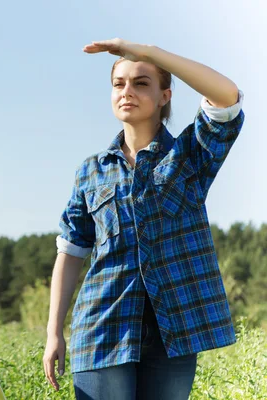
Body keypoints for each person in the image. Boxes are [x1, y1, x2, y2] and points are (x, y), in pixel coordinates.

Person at [42, 38, 244, 400]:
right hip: (102, 328)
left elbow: (227, 96)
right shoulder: (91, 171)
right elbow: (71, 252)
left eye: (141, 82)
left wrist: (147, 52)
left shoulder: (189, 156)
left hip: (175, 331)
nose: (127, 91)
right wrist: (53, 332)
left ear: (165, 95)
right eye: (118, 83)